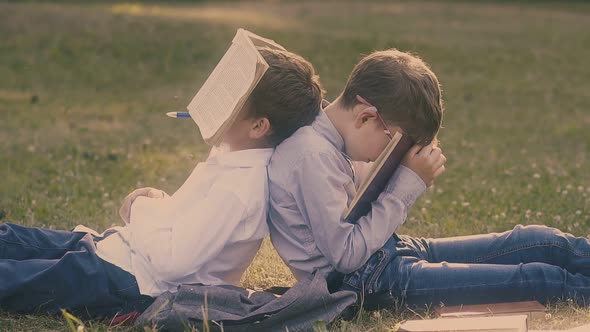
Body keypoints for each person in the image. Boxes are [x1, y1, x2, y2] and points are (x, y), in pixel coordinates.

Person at [0, 47, 324, 318]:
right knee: (13, 239)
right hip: (117, 253)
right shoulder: (230, 154)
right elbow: (190, 226)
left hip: (129, 282)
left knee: (15, 278)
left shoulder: (240, 188)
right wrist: (159, 200)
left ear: (258, 127)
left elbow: (173, 264)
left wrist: (142, 208)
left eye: (231, 99)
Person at [267, 48, 590, 311]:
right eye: (395, 144)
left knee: (541, 241)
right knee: (538, 280)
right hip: (363, 282)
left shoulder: (332, 141)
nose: (389, 153)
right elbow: (345, 256)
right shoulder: (311, 156)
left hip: (386, 253)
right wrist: (405, 187)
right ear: (366, 117)